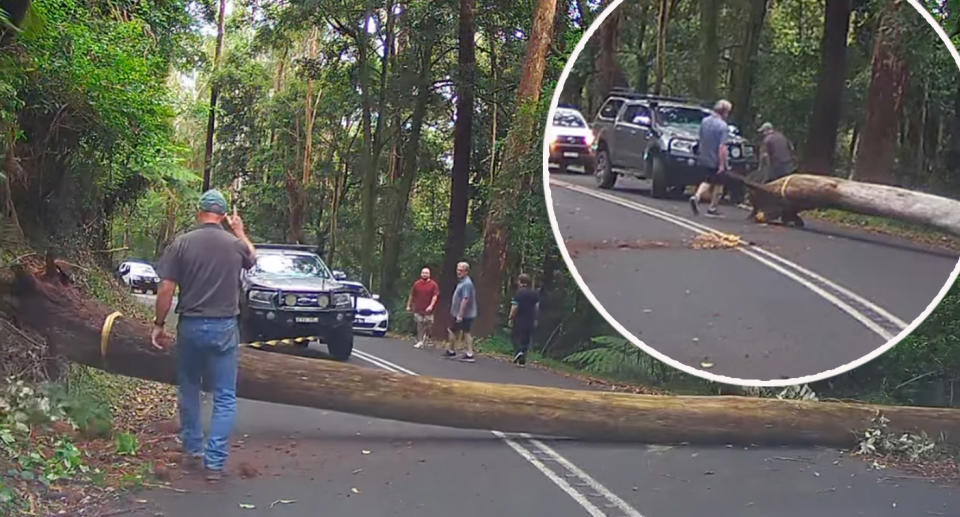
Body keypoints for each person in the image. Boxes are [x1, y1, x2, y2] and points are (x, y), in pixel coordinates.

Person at [150, 189, 256, 482]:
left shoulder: (182, 243)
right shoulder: (234, 244)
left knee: (189, 388)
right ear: (222, 216)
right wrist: (239, 231)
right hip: (224, 327)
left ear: (199, 213)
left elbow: (166, 289)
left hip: (191, 326)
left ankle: (194, 451)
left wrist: (159, 323)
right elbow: (253, 257)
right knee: (224, 395)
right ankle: (215, 463)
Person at [690, 99, 734, 216]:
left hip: (704, 156)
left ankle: (697, 196)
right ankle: (712, 208)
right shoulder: (723, 126)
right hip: (715, 158)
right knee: (719, 183)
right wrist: (722, 164)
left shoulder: (705, 121)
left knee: (707, 179)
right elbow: (722, 147)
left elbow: (700, 138)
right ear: (724, 112)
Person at [446, 261, 477, 362]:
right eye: (458, 270)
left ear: (466, 272)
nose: (458, 272)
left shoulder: (467, 283)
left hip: (465, 314)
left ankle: (469, 353)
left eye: (461, 270)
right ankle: (451, 351)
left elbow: (466, 299)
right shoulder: (462, 282)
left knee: (466, 332)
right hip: (458, 313)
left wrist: (460, 314)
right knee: (454, 330)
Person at [508, 274, 540, 367]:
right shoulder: (534, 293)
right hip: (530, 319)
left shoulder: (519, 293)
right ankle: (522, 360)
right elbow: (537, 307)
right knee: (526, 339)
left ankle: (519, 352)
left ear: (521, 282)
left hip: (519, 319)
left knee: (515, 337)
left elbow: (515, 306)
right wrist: (536, 318)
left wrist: (511, 317)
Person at [406, 266, 439, 349]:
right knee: (419, 324)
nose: (425, 274)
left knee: (429, 324)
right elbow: (411, 295)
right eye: (423, 273)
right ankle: (420, 341)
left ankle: (427, 337)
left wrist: (431, 305)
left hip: (429, 310)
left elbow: (435, 296)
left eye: (426, 273)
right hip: (418, 308)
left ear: (429, 274)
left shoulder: (433, 284)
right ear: (421, 274)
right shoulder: (417, 284)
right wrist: (408, 305)